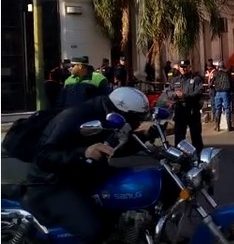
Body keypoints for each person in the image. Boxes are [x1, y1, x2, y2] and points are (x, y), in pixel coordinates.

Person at [21, 87, 151, 244]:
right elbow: (43, 156)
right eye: (135, 121)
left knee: (121, 205)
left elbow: (111, 146)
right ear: (120, 111)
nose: (137, 125)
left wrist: (146, 137)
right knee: (94, 231)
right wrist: (83, 153)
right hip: (50, 183)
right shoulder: (76, 116)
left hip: (82, 177)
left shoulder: (109, 118)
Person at [165, 59, 204, 150]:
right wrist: (175, 94)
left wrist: (185, 95)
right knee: (179, 137)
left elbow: (198, 93)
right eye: (181, 67)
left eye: (185, 67)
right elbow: (168, 92)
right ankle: (180, 159)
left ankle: (198, 158)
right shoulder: (175, 80)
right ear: (179, 68)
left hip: (192, 111)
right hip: (180, 110)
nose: (183, 69)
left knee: (196, 136)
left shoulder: (196, 79)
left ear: (189, 67)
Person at [210, 61, 234, 131]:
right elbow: (232, 83)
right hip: (226, 92)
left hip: (218, 92)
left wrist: (213, 89)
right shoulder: (227, 73)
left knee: (218, 109)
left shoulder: (215, 73)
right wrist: (233, 91)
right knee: (227, 109)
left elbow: (210, 84)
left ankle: (217, 126)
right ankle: (229, 126)